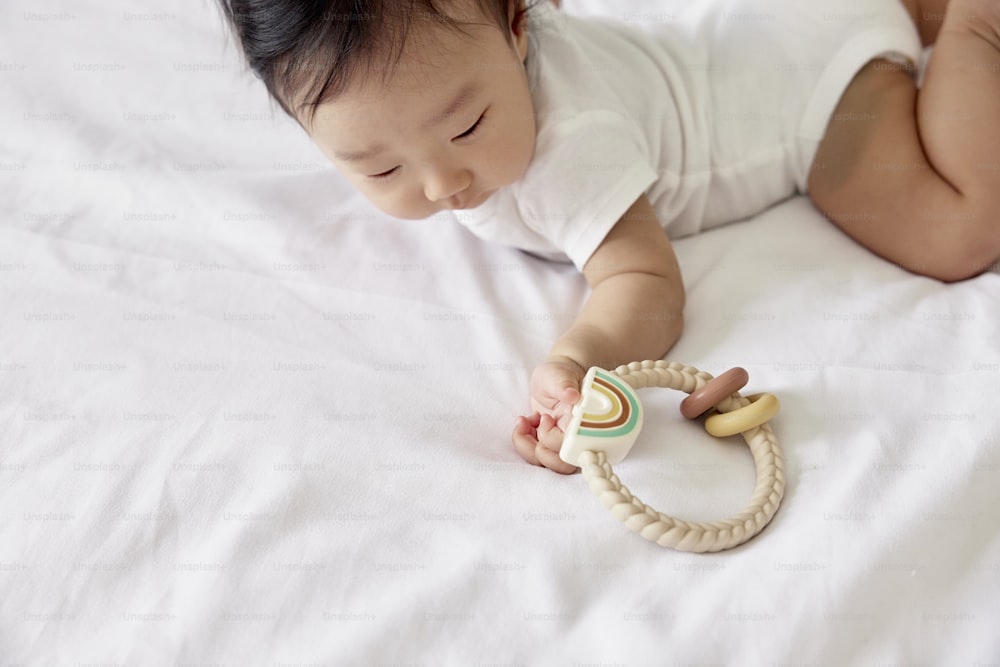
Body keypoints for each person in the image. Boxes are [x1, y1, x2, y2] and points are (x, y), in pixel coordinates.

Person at [217, 0, 1000, 473]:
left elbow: (646, 280)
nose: (441, 184)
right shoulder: (475, 48)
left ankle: (976, 26)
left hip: (809, 91)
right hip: (758, 22)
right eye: (378, 167)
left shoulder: (569, 145)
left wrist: (576, 361)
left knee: (959, 229)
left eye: (467, 125)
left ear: (520, 27)